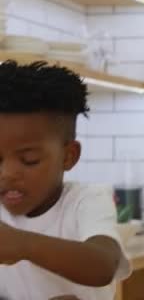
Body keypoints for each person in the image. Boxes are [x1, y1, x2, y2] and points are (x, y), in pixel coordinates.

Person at [0, 61, 131, 300]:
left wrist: (22, 245)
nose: (7, 173)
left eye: (29, 160)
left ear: (69, 156)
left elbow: (103, 265)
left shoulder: (85, 201)